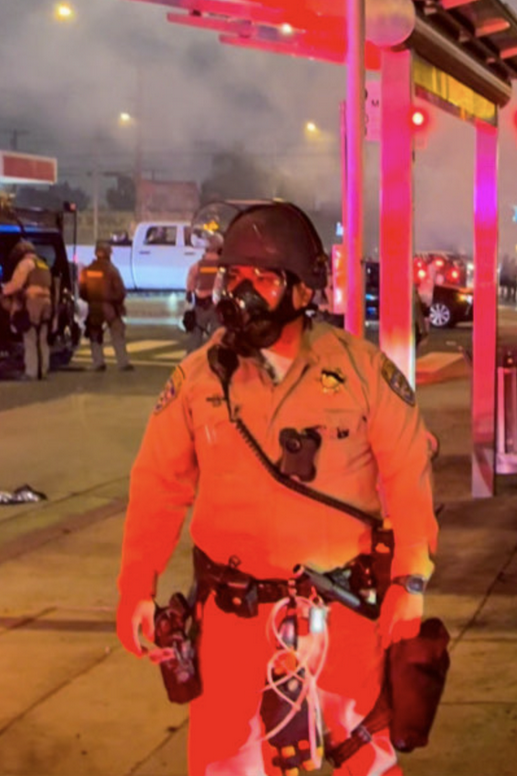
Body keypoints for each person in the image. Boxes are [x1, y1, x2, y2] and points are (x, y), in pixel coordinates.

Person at [116, 201, 439, 776]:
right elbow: (157, 488)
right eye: (233, 277)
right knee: (225, 762)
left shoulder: (363, 372)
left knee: (359, 757)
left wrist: (410, 581)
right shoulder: (197, 380)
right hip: (230, 627)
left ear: (302, 290)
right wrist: (136, 587)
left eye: (262, 279)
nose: (241, 293)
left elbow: (408, 475)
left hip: (340, 620)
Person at [0, 240, 54, 380]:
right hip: (46, 302)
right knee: (42, 338)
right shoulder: (42, 264)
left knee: (30, 337)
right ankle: (43, 370)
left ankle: (31, 372)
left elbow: (17, 284)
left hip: (32, 302)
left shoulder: (25, 264)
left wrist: (4, 290)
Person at [80, 240, 133, 372]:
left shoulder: (87, 270)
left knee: (95, 334)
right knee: (117, 333)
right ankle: (123, 362)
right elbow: (120, 291)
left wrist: (90, 300)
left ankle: (98, 362)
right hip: (110, 307)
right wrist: (118, 304)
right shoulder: (111, 270)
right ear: (109, 253)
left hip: (93, 307)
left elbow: (82, 290)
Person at [185, 234, 223, 353]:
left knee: (196, 332)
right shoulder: (222, 265)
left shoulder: (198, 265)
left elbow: (191, 280)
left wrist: (189, 293)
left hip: (201, 302)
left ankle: (191, 358)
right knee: (216, 333)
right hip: (217, 303)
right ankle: (214, 356)